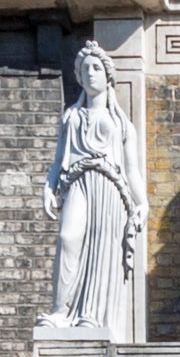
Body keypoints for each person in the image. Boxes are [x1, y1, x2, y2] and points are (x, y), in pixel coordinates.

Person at [41, 42, 146, 339]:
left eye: (96, 68)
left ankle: (92, 315)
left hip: (110, 189)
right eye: (85, 69)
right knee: (68, 238)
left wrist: (143, 204)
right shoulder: (71, 118)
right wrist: (49, 188)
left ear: (108, 76)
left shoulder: (121, 124)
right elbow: (58, 161)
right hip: (77, 182)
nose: (90, 73)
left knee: (103, 248)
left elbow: (132, 171)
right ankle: (62, 311)